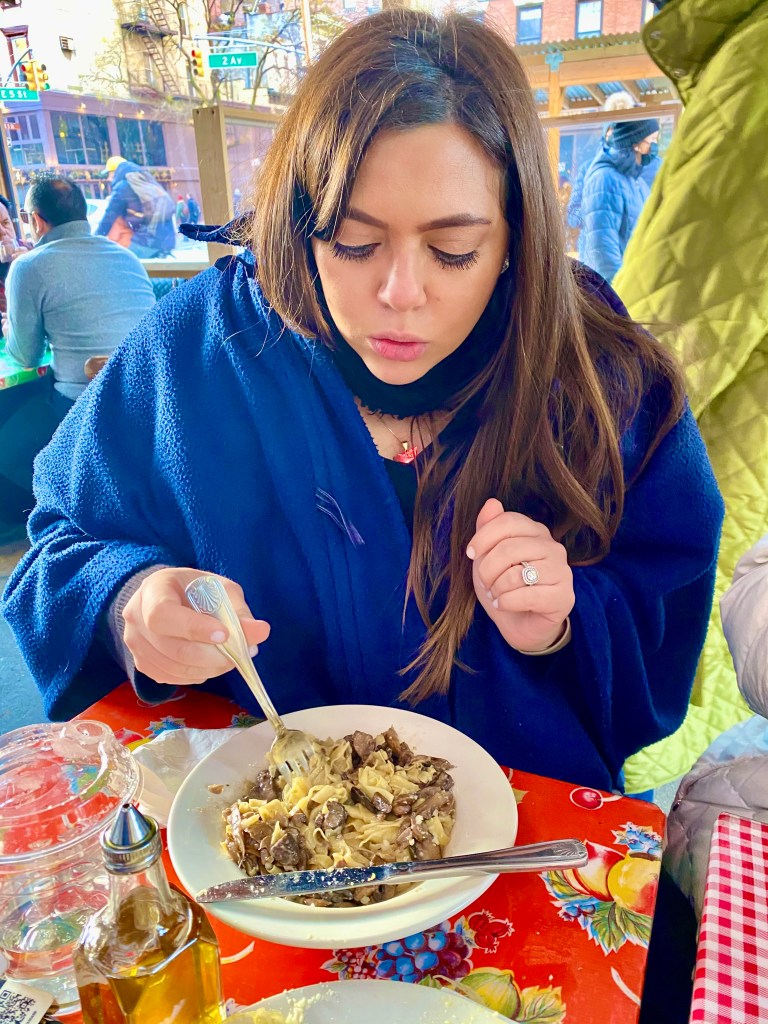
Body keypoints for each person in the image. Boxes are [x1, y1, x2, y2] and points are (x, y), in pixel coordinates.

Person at [2, 11, 723, 794]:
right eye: (352, 240)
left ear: (516, 238)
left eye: (454, 250)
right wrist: (128, 602)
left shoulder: (596, 369)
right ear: (298, 223)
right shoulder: (196, 349)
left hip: (523, 829)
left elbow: (666, 603)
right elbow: (57, 548)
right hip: (256, 826)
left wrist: (563, 621)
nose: (401, 294)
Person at [613, 0, 768, 795]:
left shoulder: (759, 66)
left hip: (703, 492)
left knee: (635, 769)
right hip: (742, 491)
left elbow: (665, 339)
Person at [0, 174, 155, 525]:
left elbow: (25, 355)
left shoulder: (29, 265)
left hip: (81, 404)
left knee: (6, 451)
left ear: (36, 220)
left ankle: (74, 507)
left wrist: (10, 327)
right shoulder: (126, 257)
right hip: (146, 400)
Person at [579, 118, 659, 283]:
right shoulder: (605, 179)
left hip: (632, 282)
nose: (654, 146)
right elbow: (602, 247)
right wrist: (620, 290)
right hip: (613, 289)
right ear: (636, 143)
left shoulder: (635, 181)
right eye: (652, 140)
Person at [96, 156, 176, 259]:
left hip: (147, 241)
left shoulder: (123, 187)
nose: (109, 178)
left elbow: (109, 216)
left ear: (116, 172)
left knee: (123, 261)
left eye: (109, 174)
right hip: (167, 239)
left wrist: (96, 237)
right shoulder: (145, 180)